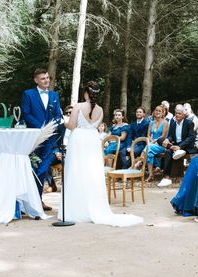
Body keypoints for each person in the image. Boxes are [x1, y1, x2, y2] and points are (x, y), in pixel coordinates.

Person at [61, 81, 142, 226]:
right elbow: (96, 126)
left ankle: (76, 209)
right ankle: (93, 207)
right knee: (91, 173)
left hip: (79, 139)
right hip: (92, 140)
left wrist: (64, 120)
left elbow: (72, 126)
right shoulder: (101, 110)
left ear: (86, 92)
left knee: (76, 172)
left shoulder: (78, 106)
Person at [21, 68, 63, 210]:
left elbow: (58, 115)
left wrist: (51, 128)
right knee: (32, 169)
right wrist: (41, 129)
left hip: (49, 139)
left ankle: (38, 201)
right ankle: (29, 202)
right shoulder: (28, 94)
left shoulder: (54, 95)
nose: (46, 80)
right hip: (33, 138)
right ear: (36, 80)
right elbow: (26, 114)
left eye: (47, 78)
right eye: (43, 78)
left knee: (43, 170)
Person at [157, 104, 197, 188]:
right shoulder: (173, 123)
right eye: (176, 113)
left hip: (185, 146)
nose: (177, 115)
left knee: (169, 151)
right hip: (174, 144)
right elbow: (171, 135)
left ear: (183, 114)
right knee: (160, 140)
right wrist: (168, 140)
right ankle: (167, 177)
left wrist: (180, 146)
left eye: (179, 113)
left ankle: (169, 176)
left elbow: (191, 138)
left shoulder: (189, 123)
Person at [144, 105, 169, 182]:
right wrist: (151, 140)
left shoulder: (165, 122)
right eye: (156, 110)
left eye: (159, 111)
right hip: (152, 144)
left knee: (149, 148)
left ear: (163, 113)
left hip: (161, 145)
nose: (157, 112)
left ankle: (138, 161)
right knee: (150, 153)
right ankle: (151, 175)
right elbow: (148, 134)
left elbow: (163, 136)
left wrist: (155, 141)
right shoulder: (151, 123)